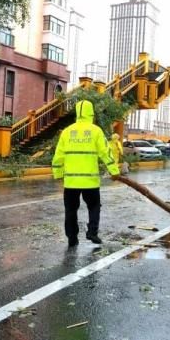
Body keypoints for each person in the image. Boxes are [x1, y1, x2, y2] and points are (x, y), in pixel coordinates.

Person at [52, 100, 119, 247]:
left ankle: (72, 238)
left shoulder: (67, 131)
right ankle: (92, 232)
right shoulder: (96, 131)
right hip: (90, 181)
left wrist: (57, 173)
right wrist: (114, 171)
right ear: (91, 113)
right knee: (94, 206)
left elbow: (58, 155)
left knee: (70, 210)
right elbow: (105, 152)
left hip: (71, 182)